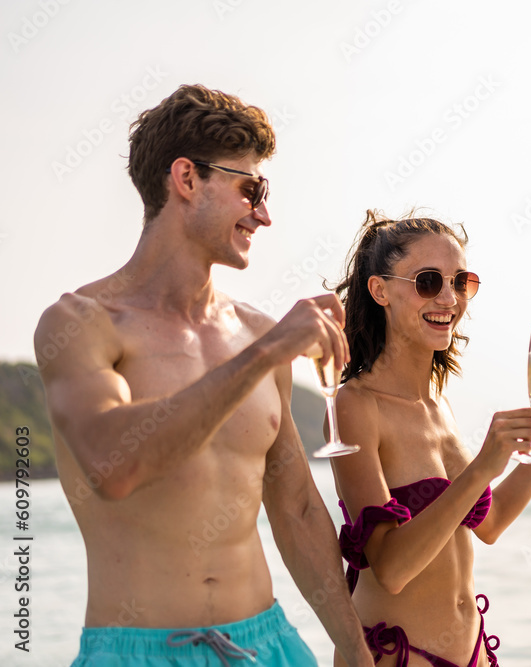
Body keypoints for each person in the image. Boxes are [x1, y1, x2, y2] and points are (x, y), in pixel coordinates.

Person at [34, 84, 373, 666]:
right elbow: (114, 466)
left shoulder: (259, 331)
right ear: (186, 179)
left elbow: (294, 506)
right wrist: (266, 356)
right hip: (137, 652)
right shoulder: (82, 324)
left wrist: (354, 648)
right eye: (251, 189)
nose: (264, 214)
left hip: (271, 647)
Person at [328, 210, 531, 666]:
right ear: (380, 290)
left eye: (460, 282)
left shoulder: (439, 405)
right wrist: (482, 465)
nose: (449, 298)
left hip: (473, 654)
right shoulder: (354, 407)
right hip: (397, 657)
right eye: (427, 281)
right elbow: (391, 568)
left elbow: (490, 524)